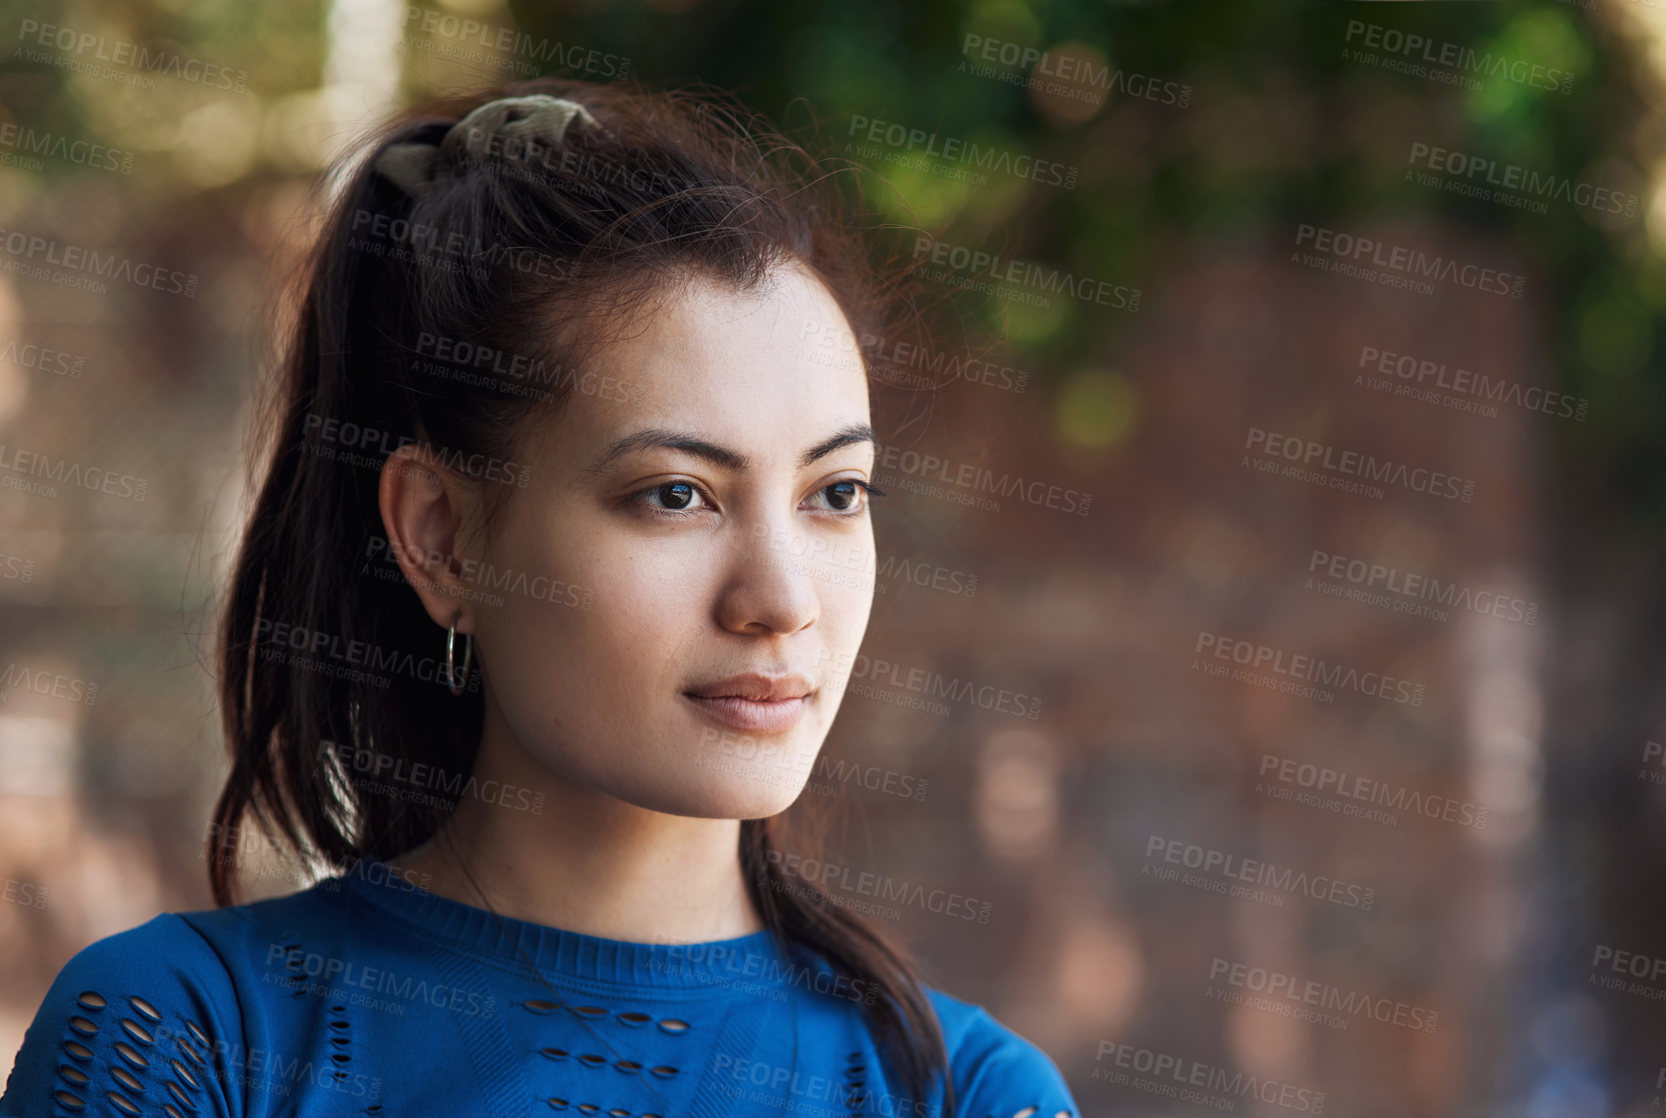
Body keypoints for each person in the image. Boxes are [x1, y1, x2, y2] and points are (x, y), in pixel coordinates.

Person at [0, 79, 1078, 1118]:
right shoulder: (186, 1040)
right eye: (676, 494)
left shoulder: (971, 1092)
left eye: (835, 493)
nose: (781, 598)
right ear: (441, 535)